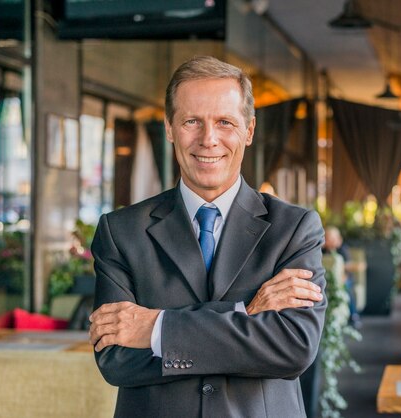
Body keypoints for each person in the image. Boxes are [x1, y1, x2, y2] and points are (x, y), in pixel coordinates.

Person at [88, 56, 326, 418]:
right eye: (191, 121)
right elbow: (116, 358)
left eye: (225, 122)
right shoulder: (120, 231)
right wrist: (245, 315)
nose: (208, 139)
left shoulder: (294, 229)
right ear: (170, 127)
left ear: (248, 130)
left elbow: (293, 347)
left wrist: (155, 327)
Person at [322, 226, 362, 328]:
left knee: (348, 289)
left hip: (344, 278)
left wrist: (343, 277)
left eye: (332, 238)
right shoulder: (323, 251)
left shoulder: (342, 249)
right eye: (327, 238)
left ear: (339, 239)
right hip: (327, 279)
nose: (329, 241)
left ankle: (354, 315)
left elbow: (347, 266)